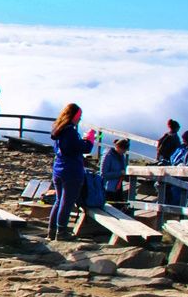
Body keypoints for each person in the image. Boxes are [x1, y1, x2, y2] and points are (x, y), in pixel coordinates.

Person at [49, 103, 95, 241]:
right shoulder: (70, 132)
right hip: (71, 171)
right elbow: (80, 148)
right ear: (73, 116)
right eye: (79, 116)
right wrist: (89, 141)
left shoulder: (59, 130)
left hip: (59, 169)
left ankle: (52, 231)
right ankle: (61, 232)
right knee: (66, 202)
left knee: (59, 200)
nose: (79, 119)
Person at [100, 138, 130, 202]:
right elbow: (103, 174)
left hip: (118, 187)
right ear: (117, 147)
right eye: (123, 150)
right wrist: (120, 173)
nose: (124, 152)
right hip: (108, 188)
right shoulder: (108, 155)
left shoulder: (121, 156)